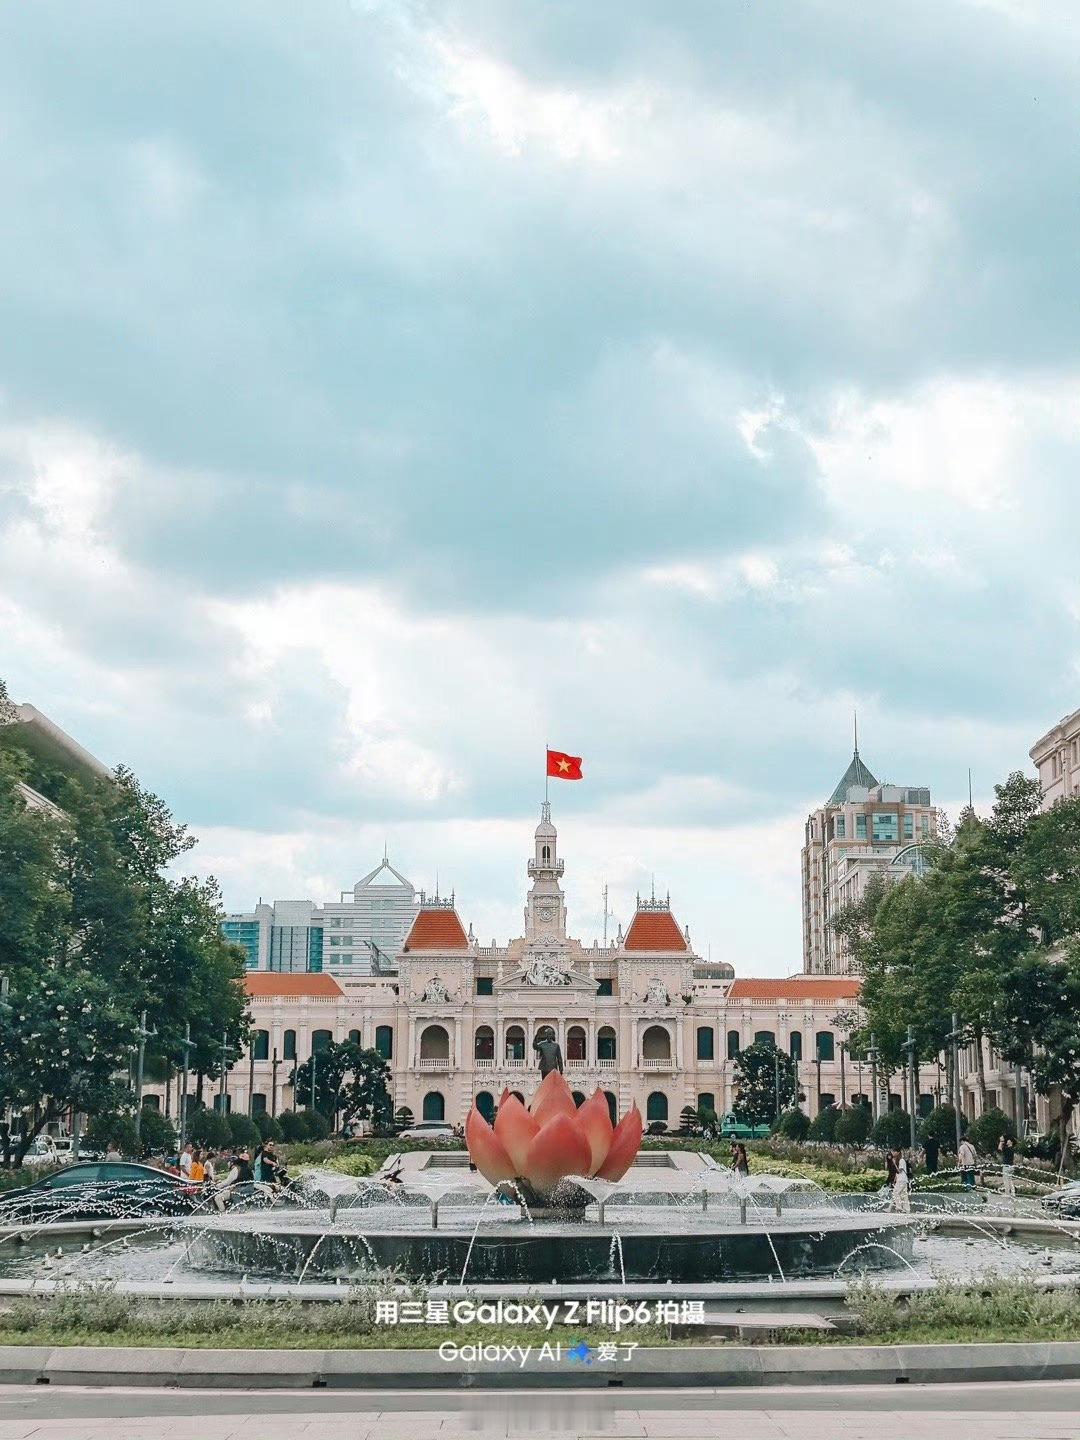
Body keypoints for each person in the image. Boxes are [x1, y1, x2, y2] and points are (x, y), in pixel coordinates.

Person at [998, 1133, 1017, 1200]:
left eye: (1009, 1140)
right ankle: (1013, 1193)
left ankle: (1007, 1193)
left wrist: (1001, 1141)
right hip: (1011, 1166)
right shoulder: (1012, 1149)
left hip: (1006, 1166)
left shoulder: (1008, 1149)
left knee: (1006, 1180)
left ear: (1011, 1142)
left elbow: (999, 1148)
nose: (1007, 1141)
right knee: (1010, 1180)